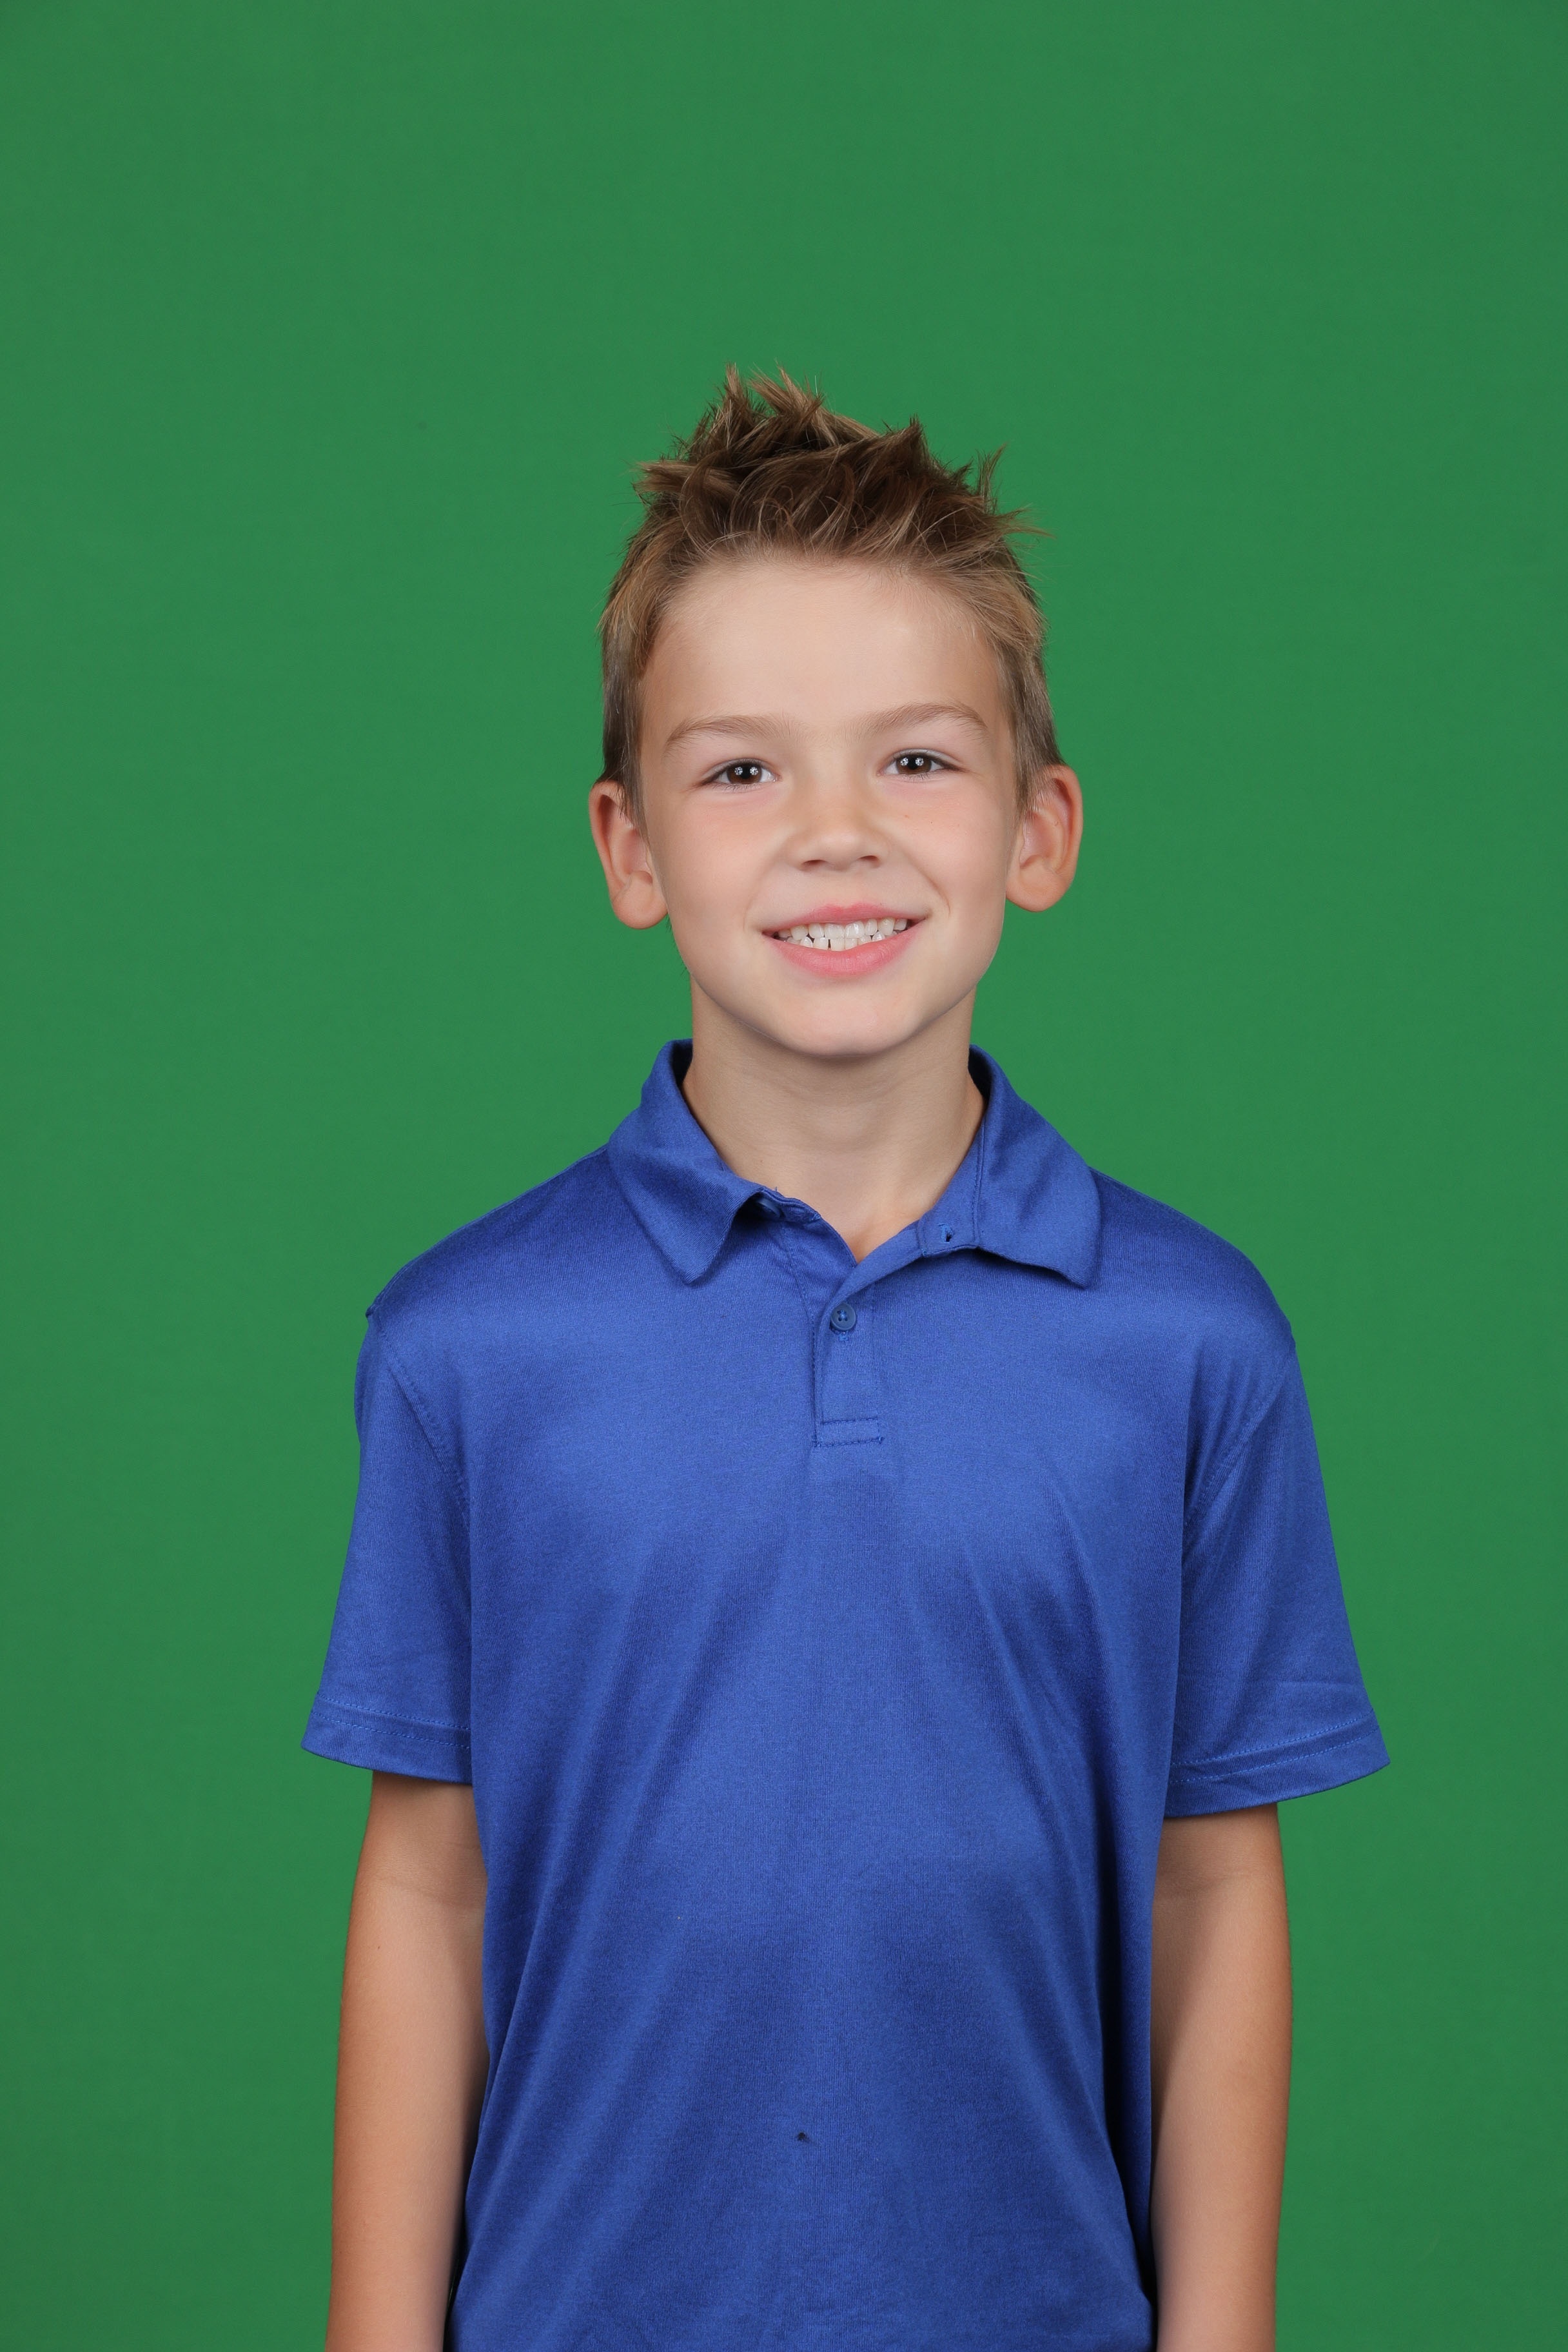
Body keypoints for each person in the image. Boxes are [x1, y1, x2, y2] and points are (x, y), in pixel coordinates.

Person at [304, 369, 1387, 2352]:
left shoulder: (1192, 1344)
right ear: (630, 846)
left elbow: (1214, 1892)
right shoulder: (467, 1345)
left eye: (914, 760)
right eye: (742, 771)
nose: (835, 835)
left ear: (1040, 829)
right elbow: (431, 1892)